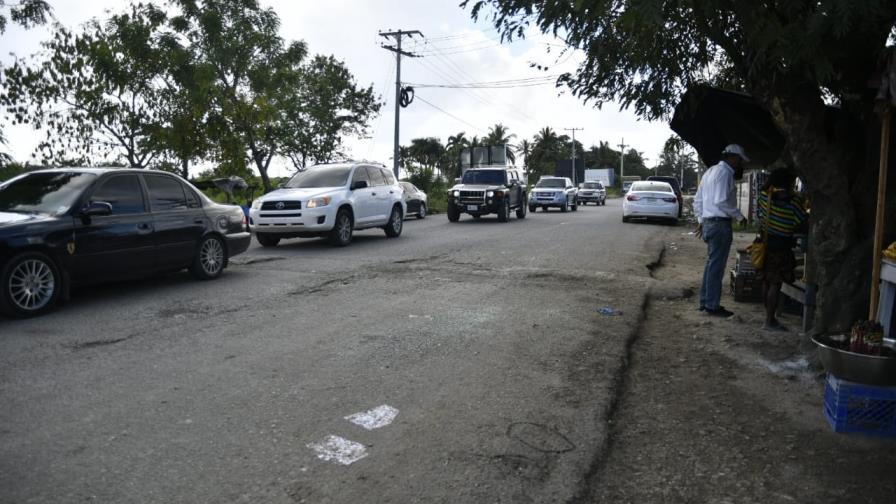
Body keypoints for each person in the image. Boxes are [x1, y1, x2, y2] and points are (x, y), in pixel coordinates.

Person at [693, 144, 749, 317]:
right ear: (732, 157)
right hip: (719, 224)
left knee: (711, 265)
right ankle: (711, 305)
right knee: (716, 267)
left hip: (710, 223)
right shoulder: (725, 174)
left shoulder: (710, 172)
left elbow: (698, 200)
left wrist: (701, 220)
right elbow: (721, 201)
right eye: (740, 160)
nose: (740, 164)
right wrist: (740, 216)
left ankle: (705, 303)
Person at [756, 169, 808, 331]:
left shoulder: (764, 196)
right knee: (775, 283)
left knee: (766, 279)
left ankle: (768, 316)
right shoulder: (794, 202)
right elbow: (800, 223)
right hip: (781, 247)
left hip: (764, 243)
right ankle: (769, 321)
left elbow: (759, 215)